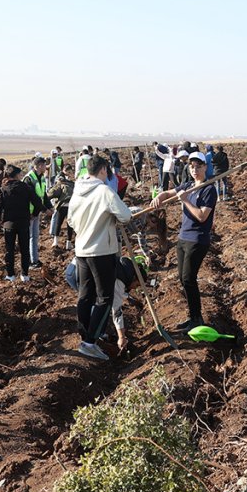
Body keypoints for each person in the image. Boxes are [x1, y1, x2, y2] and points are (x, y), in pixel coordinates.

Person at [68, 154, 133, 361]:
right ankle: (90, 342)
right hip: (102, 252)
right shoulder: (104, 190)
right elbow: (126, 216)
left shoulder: (77, 190)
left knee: (85, 295)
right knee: (105, 298)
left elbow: (70, 220)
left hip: (81, 251)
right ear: (103, 170)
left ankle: (85, 333)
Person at [151, 151, 218, 332]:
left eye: (198, 166)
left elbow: (202, 216)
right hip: (182, 238)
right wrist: (160, 197)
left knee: (189, 278)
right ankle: (192, 317)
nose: (194, 169)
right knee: (182, 278)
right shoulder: (187, 185)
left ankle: (197, 318)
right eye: (192, 166)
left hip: (197, 240)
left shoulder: (209, 189)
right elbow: (167, 193)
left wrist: (186, 200)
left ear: (205, 167)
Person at [64, 255, 145, 354]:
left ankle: (95, 335)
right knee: (100, 305)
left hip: (75, 266)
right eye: (136, 285)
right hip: (77, 273)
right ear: (134, 278)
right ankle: (90, 339)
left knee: (95, 302)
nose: (133, 288)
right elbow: (117, 311)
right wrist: (121, 337)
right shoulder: (120, 280)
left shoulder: (123, 268)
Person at [0, 165, 45, 282]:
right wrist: (34, 214)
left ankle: (10, 275)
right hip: (23, 223)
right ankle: (25, 275)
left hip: (9, 224)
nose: (21, 176)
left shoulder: (3, 189)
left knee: (9, 250)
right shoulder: (26, 188)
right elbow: (38, 202)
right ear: (16, 175)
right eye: (20, 174)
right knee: (24, 250)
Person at [23, 157, 50, 271]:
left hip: (36, 212)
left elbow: (43, 195)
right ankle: (28, 261)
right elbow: (32, 198)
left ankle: (34, 260)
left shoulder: (41, 177)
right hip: (29, 213)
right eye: (44, 165)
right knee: (28, 238)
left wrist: (50, 207)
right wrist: (44, 210)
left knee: (34, 237)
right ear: (39, 166)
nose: (46, 167)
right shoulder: (29, 178)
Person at [47, 167, 75, 250]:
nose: (69, 174)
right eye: (68, 172)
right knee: (66, 224)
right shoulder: (70, 183)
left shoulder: (62, 183)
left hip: (65, 206)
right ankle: (65, 243)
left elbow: (51, 193)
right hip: (67, 206)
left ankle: (59, 242)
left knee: (62, 224)